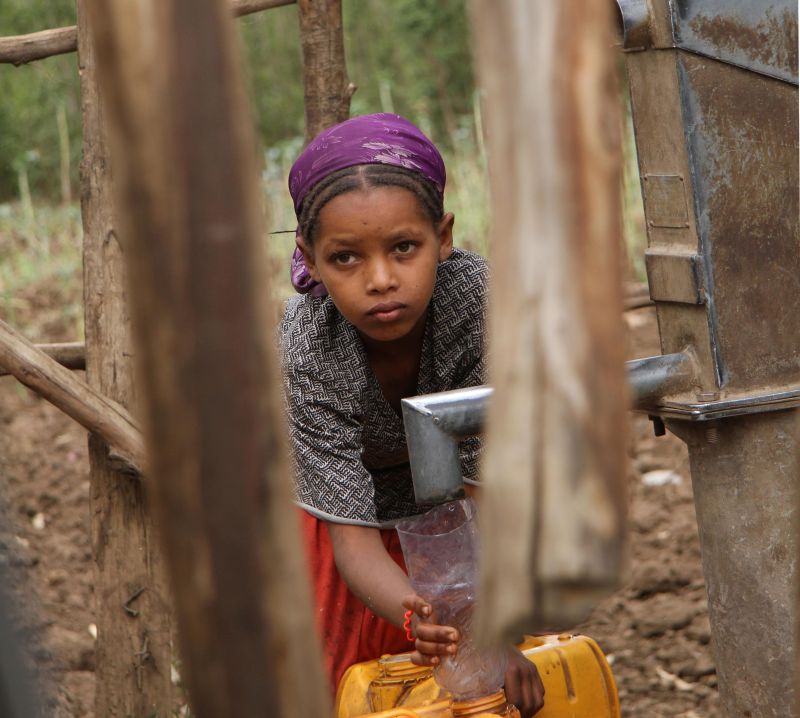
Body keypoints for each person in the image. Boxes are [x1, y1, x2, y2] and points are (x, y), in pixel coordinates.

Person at [279, 113, 544, 716]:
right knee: (345, 680)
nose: (380, 280)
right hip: (345, 519)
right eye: (345, 258)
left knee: (490, 688)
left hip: (467, 513)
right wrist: (415, 611)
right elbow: (351, 540)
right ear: (310, 259)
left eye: (404, 248)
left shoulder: (479, 306)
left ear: (443, 237)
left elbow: (483, 495)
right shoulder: (308, 347)